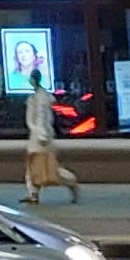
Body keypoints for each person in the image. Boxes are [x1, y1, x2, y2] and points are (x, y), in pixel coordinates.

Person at [23, 68, 78, 204]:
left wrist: (42, 134)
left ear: (34, 80)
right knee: (34, 166)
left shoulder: (40, 98)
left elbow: (42, 117)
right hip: (38, 135)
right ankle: (33, 193)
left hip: (40, 137)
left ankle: (71, 183)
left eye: (31, 78)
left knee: (47, 167)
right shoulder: (38, 97)